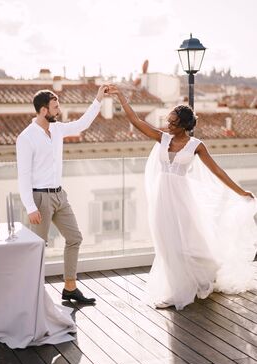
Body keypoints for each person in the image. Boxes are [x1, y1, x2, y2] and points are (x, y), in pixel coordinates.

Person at [107, 84, 257, 310]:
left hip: (183, 200)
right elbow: (136, 122)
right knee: (167, 245)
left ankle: (204, 274)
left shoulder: (197, 146)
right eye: (168, 120)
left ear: (185, 125)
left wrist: (241, 192)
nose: (168, 124)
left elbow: (217, 172)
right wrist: (120, 97)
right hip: (162, 199)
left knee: (189, 242)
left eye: (173, 122)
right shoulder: (163, 138)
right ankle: (174, 288)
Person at [16, 85, 108, 304]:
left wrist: (98, 99)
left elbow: (81, 124)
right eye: (55, 107)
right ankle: (31, 295)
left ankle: (69, 287)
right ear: (42, 110)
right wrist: (30, 207)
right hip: (40, 198)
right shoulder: (26, 138)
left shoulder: (56, 130)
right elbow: (23, 175)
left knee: (74, 238)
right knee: (38, 249)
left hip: (59, 195)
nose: (58, 111)